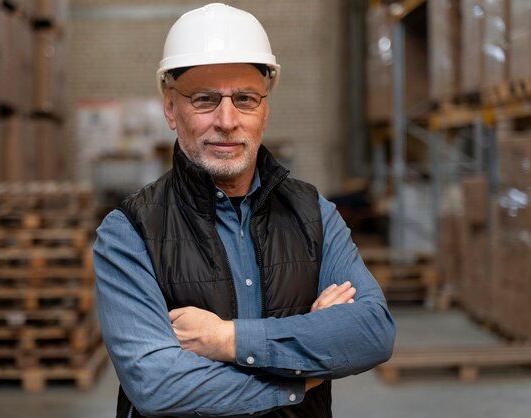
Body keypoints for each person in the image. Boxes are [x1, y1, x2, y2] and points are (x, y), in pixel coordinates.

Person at [94, 3, 395, 417]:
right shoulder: (130, 231)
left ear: (265, 110)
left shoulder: (313, 213)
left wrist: (227, 339)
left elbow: (372, 332)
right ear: (170, 108)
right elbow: (157, 384)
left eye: (245, 98)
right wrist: (304, 373)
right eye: (204, 99)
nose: (227, 119)